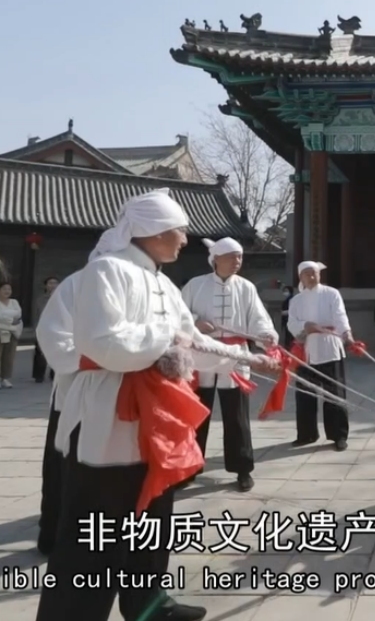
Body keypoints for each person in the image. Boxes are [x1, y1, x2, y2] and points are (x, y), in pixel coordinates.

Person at [37, 188, 279, 621]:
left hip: (159, 420)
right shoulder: (106, 272)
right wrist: (165, 343)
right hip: (113, 418)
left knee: (153, 521)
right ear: (151, 231)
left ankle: (149, 606)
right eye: (179, 231)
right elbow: (105, 344)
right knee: (97, 531)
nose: (186, 240)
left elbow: (194, 342)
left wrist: (248, 356)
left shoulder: (165, 283)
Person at [180, 237, 277, 491]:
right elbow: (177, 316)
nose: (238, 261)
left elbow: (259, 319)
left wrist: (266, 337)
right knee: (196, 417)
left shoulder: (246, 288)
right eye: (232, 256)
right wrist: (195, 323)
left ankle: (242, 468)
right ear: (217, 259)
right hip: (201, 357)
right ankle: (189, 466)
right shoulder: (195, 285)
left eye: (240, 257)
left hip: (235, 358)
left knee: (237, 417)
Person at [34, 272, 79, 556]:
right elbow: (51, 336)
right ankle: (52, 532)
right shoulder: (75, 288)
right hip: (71, 393)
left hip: (114, 399)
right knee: (60, 464)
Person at [287, 261, 354, 451]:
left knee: (335, 393)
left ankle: (338, 435)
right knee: (305, 394)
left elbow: (340, 316)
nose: (311, 276)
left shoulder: (331, 293)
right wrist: (305, 326)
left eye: (314, 273)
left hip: (330, 347)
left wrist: (347, 334)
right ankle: (307, 433)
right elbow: (292, 323)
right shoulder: (296, 300)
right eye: (307, 273)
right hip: (306, 350)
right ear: (300, 277)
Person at [0, 282, 23, 390]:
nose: (7, 291)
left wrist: (4, 316)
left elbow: (18, 314)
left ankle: (5, 378)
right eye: (4, 289)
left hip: (12, 331)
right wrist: (10, 317)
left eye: (9, 289)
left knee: (9, 355)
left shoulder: (14, 302)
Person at [33, 276, 60, 382]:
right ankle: (38, 375)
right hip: (43, 328)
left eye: (55, 283)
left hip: (58, 329)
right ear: (46, 286)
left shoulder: (63, 298)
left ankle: (54, 374)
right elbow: (37, 315)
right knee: (40, 353)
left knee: (57, 351)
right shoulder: (40, 300)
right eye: (50, 283)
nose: (53, 285)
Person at [279, 284, 295, 350]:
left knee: (289, 337)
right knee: (287, 337)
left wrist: (284, 312)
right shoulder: (287, 300)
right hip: (286, 321)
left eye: (286, 291)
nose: (285, 292)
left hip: (289, 321)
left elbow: (293, 310)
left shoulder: (292, 299)